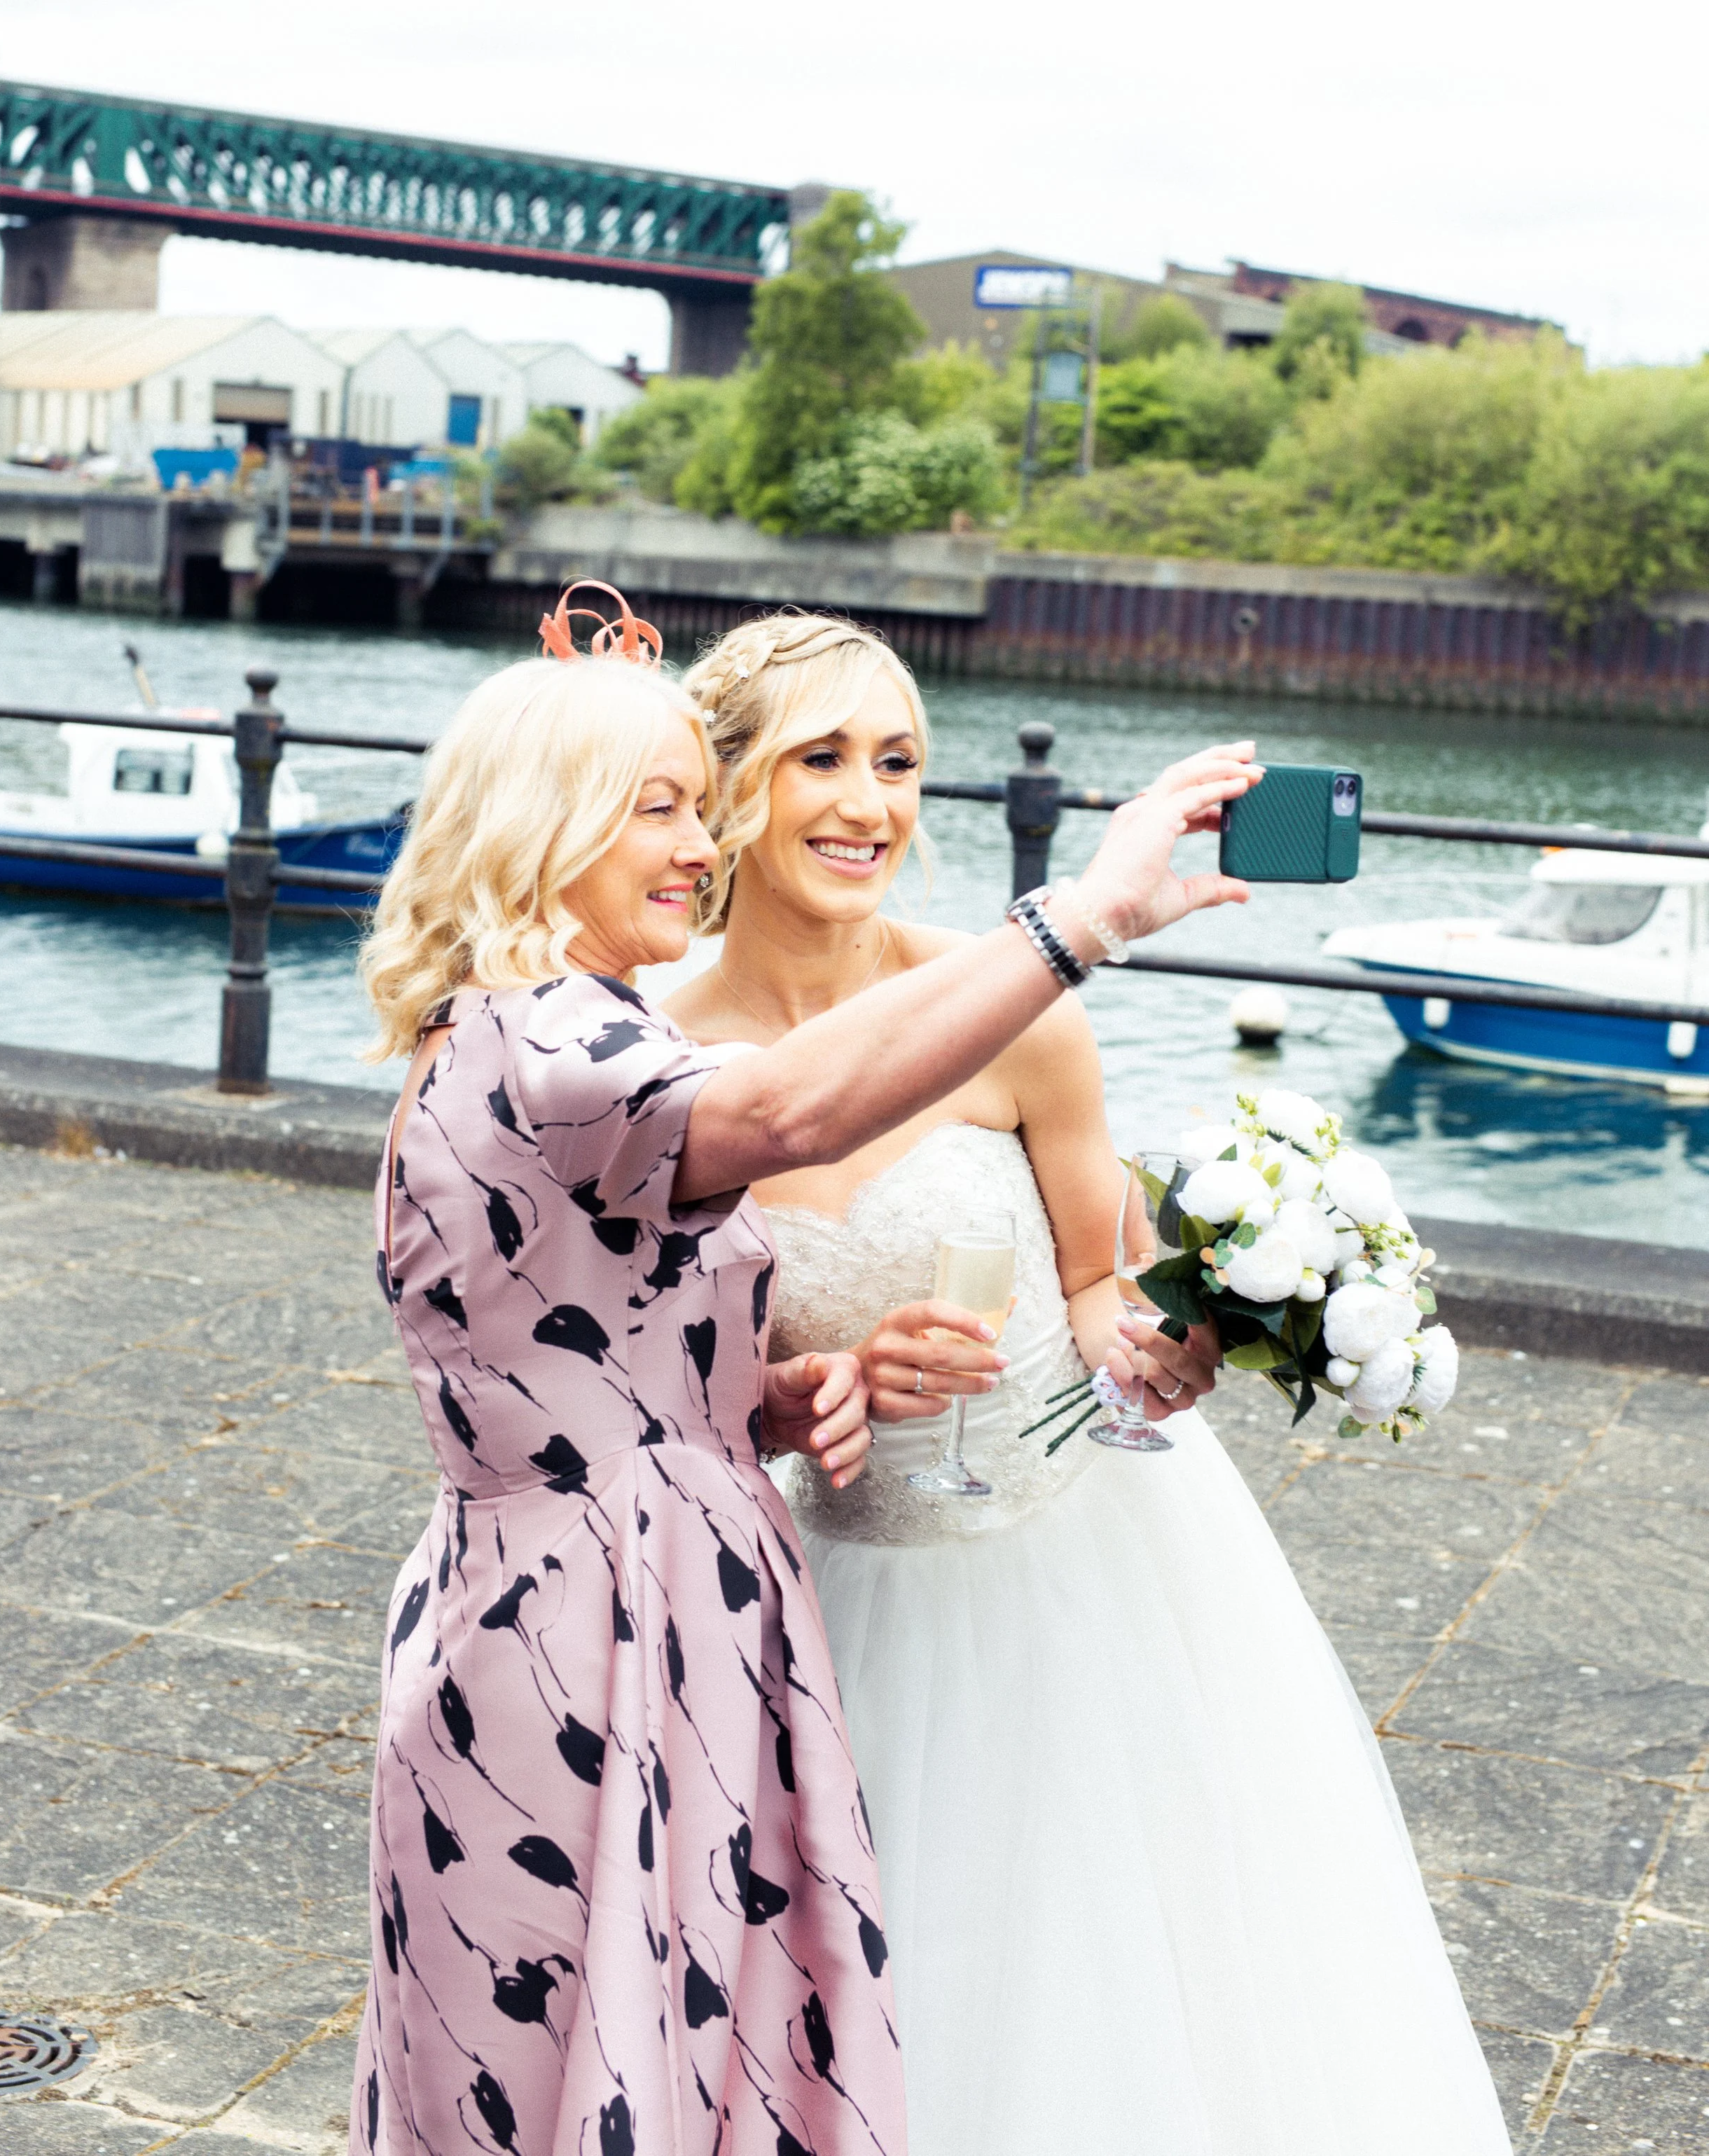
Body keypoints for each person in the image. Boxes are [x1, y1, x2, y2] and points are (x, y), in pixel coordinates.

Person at [347, 583, 1258, 2156]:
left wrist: (767, 1399)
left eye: (698, 806)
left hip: (657, 1594)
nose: (695, 846)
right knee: (590, 2042)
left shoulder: (554, 1028)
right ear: (541, 825)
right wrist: (1084, 916)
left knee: (655, 2044)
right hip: (590, 1628)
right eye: (662, 807)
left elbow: (588, 1334)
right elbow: (781, 1121)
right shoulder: (560, 1044)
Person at [668, 610, 1512, 2156]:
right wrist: (813, 1379)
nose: (869, 804)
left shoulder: (1011, 1006)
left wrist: (1166, 1342)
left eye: (901, 762)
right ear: (721, 786)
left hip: (1076, 1557)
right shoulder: (658, 1051)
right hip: (828, 1574)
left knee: (1111, 1983)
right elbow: (651, 1373)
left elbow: (1093, 1284)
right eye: (821, 760)